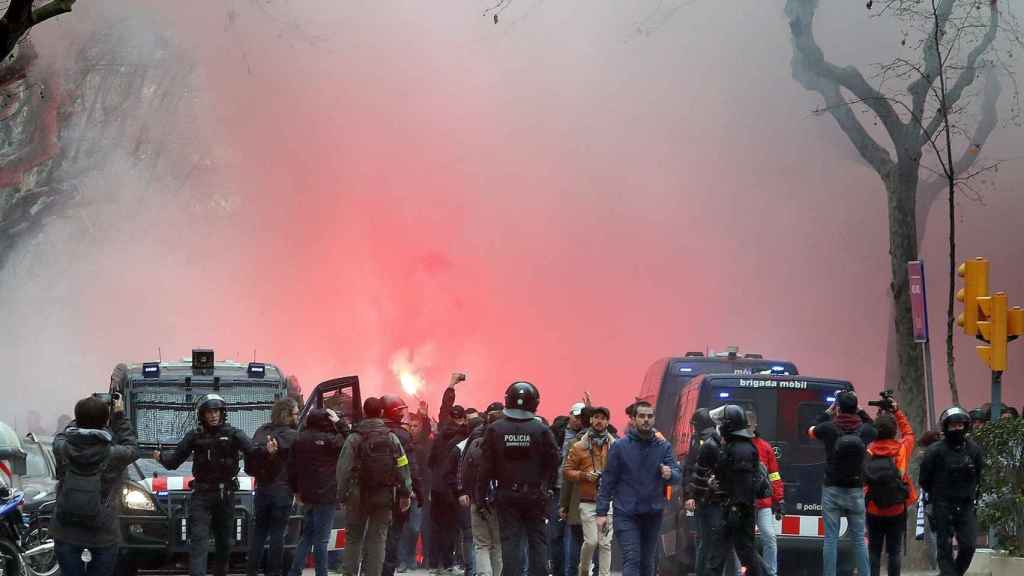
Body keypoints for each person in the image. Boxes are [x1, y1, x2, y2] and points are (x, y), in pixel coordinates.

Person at [155, 394, 278, 576]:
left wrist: (268, 452)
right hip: (202, 495)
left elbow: (252, 451)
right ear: (202, 415)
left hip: (225, 494)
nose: (213, 416)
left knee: (224, 542)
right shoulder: (195, 436)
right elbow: (174, 461)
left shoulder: (234, 434)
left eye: (216, 411)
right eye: (209, 412)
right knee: (199, 540)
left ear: (222, 413)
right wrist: (161, 458)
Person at [50, 394, 139, 576]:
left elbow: (62, 434)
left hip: (66, 529)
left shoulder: (62, 448)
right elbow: (132, 447)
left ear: (77, 419)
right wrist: (119, 416)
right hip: (103, 532)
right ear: (105, 420)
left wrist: (82, 417)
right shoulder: (114, 455)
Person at [477, 381, 560, 576]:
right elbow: (554, 461)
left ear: (508, 400)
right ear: (535, 403)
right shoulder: (541, 430)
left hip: (506, 495)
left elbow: (485, 467)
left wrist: (480, 497)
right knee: (538, 542)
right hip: (535, 495)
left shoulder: (495, 429)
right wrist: (547, 486)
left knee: (510, 544)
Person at [595, 401, 679, 576]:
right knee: (632, 558)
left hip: (652, 512)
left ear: (654, 419)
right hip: (626, 512)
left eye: (649, 416)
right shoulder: (620, 446)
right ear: (633, 419)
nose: (646, 420)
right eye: (641, 416)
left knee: (648, 561)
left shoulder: (663, 446)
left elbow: (678, 475)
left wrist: (670, 473)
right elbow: (608, 480)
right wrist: (601, 512)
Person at [337, 397, 413, 576]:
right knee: (378, 539)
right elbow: (403, 465)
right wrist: (405, 493)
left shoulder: (354, 437)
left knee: (354, 538)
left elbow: (343, 469)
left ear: (364, 413)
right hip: (384, 494)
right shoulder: (391, 437)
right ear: (381, 413)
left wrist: (342, 495)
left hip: (357, 494)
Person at [808, 390, 876, 576]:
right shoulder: (864, 430)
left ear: (838, 408)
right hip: (855, 489)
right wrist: (861, 412)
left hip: (832, 488)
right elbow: (875, 428)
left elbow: (811, 430)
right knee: (859, 540)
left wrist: (829, 412)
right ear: (855, 408)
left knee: (830, 538)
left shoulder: (829, 428)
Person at [920, 406, 984, 576]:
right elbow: (924, 479)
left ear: (965, 426)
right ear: (945, 427)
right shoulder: (934, 451)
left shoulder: (974, 450)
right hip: (942, 504)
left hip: (966, 504)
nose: (956, 429)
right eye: (952, 426)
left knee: (969, 545)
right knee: (944, 547)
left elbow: (979, 473)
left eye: (960, 425)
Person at [285, 408, 347, 576]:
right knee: (322, 539)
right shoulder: (331, 441)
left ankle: (295, 571)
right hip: (326, 496)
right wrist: (339, 423)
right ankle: (321, 573)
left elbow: (291, 469)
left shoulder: (299, 440)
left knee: (307, 536)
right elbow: (349, 439)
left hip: (307, 495)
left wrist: (296, 491)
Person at [702, 406, 762, 576]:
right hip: (733, 507)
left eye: (721, 423)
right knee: (731, 553)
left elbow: (743, 484)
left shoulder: (741, 449)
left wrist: (736, 509)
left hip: (738, 510)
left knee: (744, 554)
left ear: (729, 426)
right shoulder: (734, 446)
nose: (719, 427)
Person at [246, 398, 300, 576]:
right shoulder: (291, 435)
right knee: (278, 535)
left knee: (259, 533)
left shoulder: (262, 431)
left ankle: (252, 571)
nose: (298, 416)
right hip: (282, 492)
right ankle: (273, 572)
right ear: (287, 415)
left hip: (262, 490)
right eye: (296, 413)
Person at [728, 410, 783, 576]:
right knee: (742, 541)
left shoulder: (765, 447)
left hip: (762, 503)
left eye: (750, 424)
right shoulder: (735, 445)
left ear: (755, 425)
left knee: (769, 537)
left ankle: (770, 572)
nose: (748, 428)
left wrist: (778, 499)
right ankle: (740, 572)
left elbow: (774, 474)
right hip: (744, 502)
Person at [863, 405, 917, 576]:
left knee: (874, 551)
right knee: (894, 552)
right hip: (897, 507)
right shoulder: (902, 448)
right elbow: (909, 433)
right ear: (894, 431)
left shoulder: (869, 449)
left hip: (873, 507)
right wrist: (897, 411)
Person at [564, 406, 615, 576]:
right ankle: (583, 571)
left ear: (607, 421)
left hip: (608, 502)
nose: (599, 421)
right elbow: (567, 471)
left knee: (605, 543)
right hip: (587, 501)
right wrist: (584, 475)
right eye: (596, 417)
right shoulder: (579, 446)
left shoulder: (616, 446)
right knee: (591, 541)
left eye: (603, 418)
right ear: (591, 420)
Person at [380, 394, 426, 576]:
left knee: (375, 535)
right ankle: (387, 571)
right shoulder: (402, 436)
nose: (401, 415)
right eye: (399, 411)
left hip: (371, 493)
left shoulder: (366, 432)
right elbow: (410, 468)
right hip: (397, 494)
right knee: (393, 535)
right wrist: (417, 493)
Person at [429, 373, 470, 574]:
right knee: (451, 527)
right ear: (462, 419)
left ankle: (436, 563)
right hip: (452, 488)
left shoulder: (442, 431)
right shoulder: (465, 435)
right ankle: (447, 563)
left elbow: (443, 409)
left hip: (436, 488)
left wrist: (451, 385)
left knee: (436, 526)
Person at [458, 403, 504, 576]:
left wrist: (465, 492)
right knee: (497, 545)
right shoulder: (508, 446)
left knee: (481, 544)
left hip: (478, 500)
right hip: (500, 501)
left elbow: (465, 470)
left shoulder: (476, 443)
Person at [682, 408, 721, 576]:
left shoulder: (700, 441)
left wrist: (689, 495)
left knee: (704, 540)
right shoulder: (716, 440)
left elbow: (690, 469)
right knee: (709, 540)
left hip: (705, 499)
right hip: (713, 499)